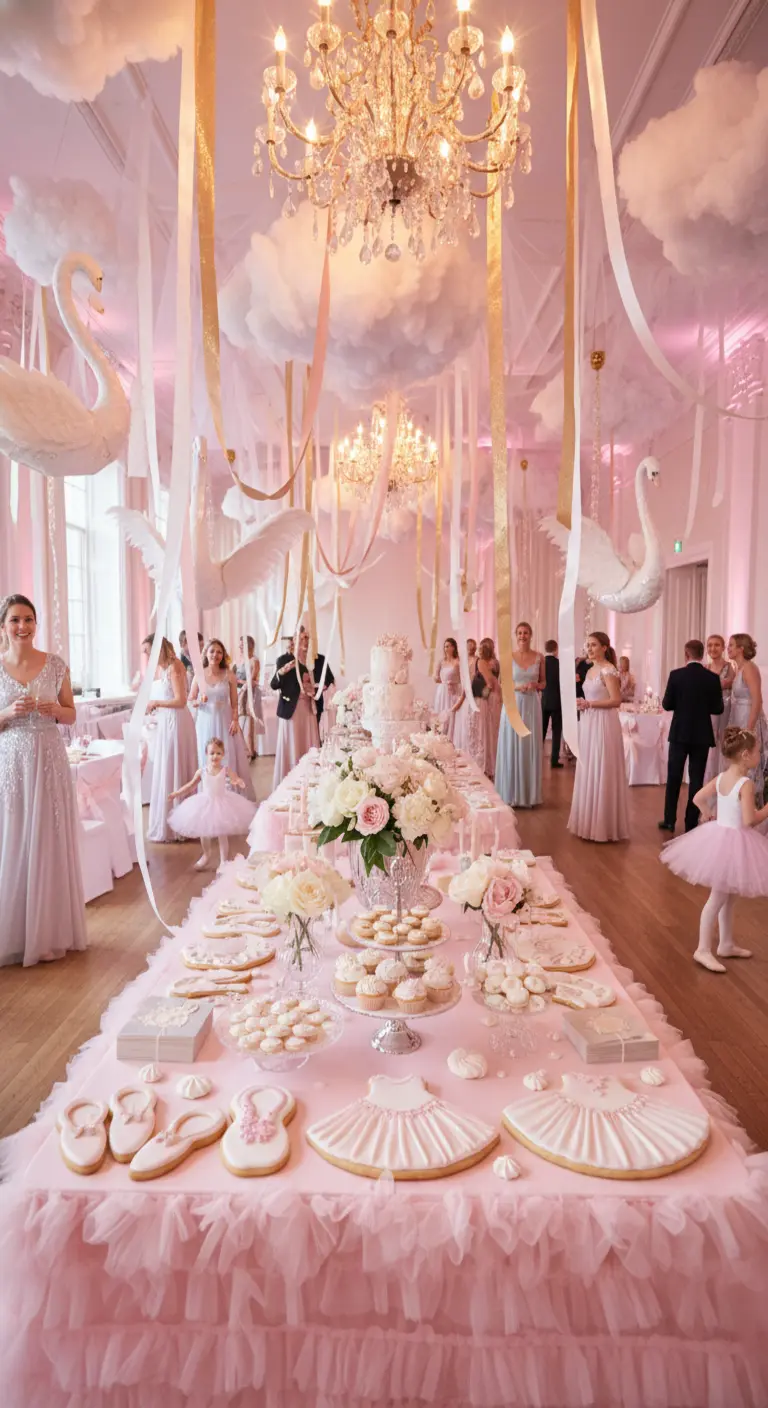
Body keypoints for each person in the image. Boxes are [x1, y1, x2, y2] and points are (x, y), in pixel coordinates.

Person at [0, 593, 87, 966]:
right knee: (14, 836)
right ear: (3, 626)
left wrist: (55, 709)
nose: (23, 627)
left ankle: (49, 932)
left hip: (50, 757)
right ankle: (13, 934)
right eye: (15, 620)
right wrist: (6, 711)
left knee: (48, 838)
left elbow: (71, 716)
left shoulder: (55, 665)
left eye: (29, 620)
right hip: (12, 761)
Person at [661, 726, 768, 972]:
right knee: (718, 898)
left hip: (722, 837)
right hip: (733, 843)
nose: (759, 756)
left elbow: (698, 797)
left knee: (729, 896)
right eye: (757, 752)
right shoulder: (746, 784)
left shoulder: (721, 778)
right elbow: (750, 819)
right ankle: (703, 949)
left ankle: (726, 943)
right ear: (744, 755)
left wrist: (709, 814)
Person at [568, 631, 630, 842]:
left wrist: (589, 704)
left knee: (601, 767)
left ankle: (603, 825)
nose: (590, 649)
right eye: (588, 645)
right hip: (589, 721)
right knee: (590, 766)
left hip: (603, 723)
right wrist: (583, 703)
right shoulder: (591, 670)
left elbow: (616, 700)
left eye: (594, 645)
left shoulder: (608, 670)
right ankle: (588, 822)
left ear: (604, 647)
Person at [659, 640, 724, 834]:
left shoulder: (676, 675)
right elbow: (718, 708)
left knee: (674, 777)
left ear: (686, 655)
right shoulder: (712, 678)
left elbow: (666, 705)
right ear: (702, 654)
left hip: (680, 733)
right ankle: (691, 822)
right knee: (696, 779)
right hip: (702, 735)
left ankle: (669, 820)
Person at [169, 736, 257, 871]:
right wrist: (177, 793)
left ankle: (223, 861)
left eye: (218, 753)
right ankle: (206, 854)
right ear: (206, 754)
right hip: (205, 803)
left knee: (222, 833)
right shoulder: (202, 771)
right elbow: (190, 785)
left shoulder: (225, 770)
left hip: (222, 802)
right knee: (204, 832)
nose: (215, 756)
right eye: (212, 753)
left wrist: (239, 782)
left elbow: (235, 778)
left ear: (223, 755)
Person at [143, 633, 199, 843]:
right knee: (167, 768)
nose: (147, 656)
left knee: (173, 766)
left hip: (177, 723)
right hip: (168, 722)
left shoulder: (175, 667)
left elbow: (181, 700)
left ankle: (181, 823)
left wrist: (156, 703)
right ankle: (170, 821)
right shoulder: (165, 668)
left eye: (148, 651)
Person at [189, 639, 256, 802]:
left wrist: (235, 721)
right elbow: (190, 699)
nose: (215, 655)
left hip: (225, 722)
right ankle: (207, 798)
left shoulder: (229, 675)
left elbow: (234, 704)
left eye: (219, 652)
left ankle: (229, 799)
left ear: (223, 655)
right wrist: (199, 702)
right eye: (212, 651)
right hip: (205, 723)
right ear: (206, 653)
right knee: (206, 759)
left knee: (227, 758)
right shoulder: (199, 674)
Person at [495, 622, 544, 808]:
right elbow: (502, 683)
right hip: (513, 704)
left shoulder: (540, 657)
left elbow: (544, 682)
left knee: (528, 745)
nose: (523, 636)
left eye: (526, 633)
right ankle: (510, 792)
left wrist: (536, 686)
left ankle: (528, 794)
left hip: (532, 704)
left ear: (531, 635)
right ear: (516, 636)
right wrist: (518, 687)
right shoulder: (507, 657)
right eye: (520, 633)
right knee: (512, 743)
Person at [271, 627, 321, 787]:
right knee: (293, 746)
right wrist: (282, 672)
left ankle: (310, 782)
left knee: (309, 745)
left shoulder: (314, 660)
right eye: (302, 637)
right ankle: (291, 784)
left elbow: (324, 682)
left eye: (307, 637)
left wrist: (315, 688)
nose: (305, 641)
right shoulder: (284, 660)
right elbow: (274, 684)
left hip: (309, 710)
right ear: (294, 640)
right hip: (292, 711)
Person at [727, 633, 768, 805]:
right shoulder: (739, 669)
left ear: (740, 649)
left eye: (731, 645)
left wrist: (749, 729)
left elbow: (757, 700)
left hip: (747, 721)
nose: (728, 649)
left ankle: (751, 807)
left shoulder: (750, 668)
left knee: (748, 762)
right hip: (738, 719)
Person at [703, 634, 734, 783]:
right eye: (709, 645)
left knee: (722, 741)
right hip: (708, 711)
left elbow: (729, 684)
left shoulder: (729, 667)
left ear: (723, 648)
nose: (712, 648)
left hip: (724, 710)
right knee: (709, 743)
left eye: (716, 645)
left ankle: (723, 779)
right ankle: (709, 779)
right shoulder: (705, 667)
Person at [454, 640, 485, 769]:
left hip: (473, 695)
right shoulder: (461, 661)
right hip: (464, 694)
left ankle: (475, 756)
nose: (471, 648)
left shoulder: (478, 661)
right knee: (465, 726)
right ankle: (465, 754)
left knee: (474, 727)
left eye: (473, 646)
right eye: (469, 646)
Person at [236, 635, 264, 762]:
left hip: (249, 693)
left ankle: (250, 751)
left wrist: (239, 682)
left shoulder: (254, 661)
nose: (240, 647)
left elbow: (252, 680)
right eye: (240, 645)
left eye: (242, 645)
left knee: (248, 722)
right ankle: (246, 750)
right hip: (239, 692)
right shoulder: (240, 661)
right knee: (241, 721)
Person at [433, 637, 462, 741]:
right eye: (445, 646)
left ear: (453, 647)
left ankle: (451, 737)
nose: (446, 648)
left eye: (448, 646)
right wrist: (439, 679)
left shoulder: (458, 661)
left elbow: (461, 678)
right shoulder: (441, 661)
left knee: (451, 713)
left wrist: (453, 683)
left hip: (453, 690)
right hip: (442, 691)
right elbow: (435, 677)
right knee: (441, 713)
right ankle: (440, 737)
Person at [542, 639, 563, 768]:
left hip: (544, 700)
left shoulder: (541, 663)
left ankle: (536, 757)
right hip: (557, 701)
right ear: (556, 649)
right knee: (556, 731)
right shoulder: (559, 664)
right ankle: (554, 760)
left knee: (541, 731)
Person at [313, 647, 336, 726]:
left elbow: (330, 678)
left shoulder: (321, 659)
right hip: (301, 700)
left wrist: (321, 685)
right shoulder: (298, 658)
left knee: (316, 724)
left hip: (317, 698)